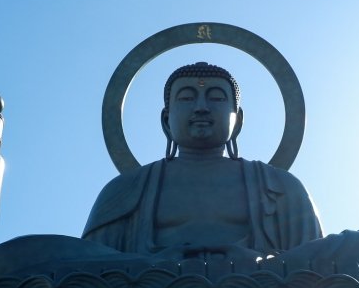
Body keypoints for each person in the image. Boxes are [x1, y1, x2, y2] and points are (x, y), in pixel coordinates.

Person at [82, 63, 323, 264]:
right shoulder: (125, 188)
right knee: (49, 251)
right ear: (166, 120)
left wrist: (258, 262)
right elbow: (93, 267)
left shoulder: (280, 186)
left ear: (237, 121)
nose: (201, 107)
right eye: (186, 97)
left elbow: (314, 263)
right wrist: (156, 264)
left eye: (216, 98)